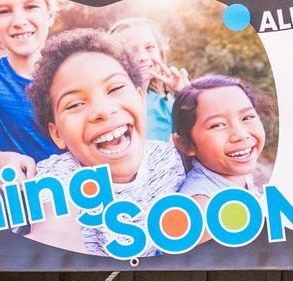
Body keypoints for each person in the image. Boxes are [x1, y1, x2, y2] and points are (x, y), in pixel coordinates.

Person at [26, 29, 185, 256]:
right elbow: (54, 231)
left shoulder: (173, 158)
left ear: (141, 99)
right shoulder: (56, 179)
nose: (102, 110)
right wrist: (48, 246)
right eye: (74, 104)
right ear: (57, 133)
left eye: (116, 88)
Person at [0, 0, 61, 179]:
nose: (19, 21)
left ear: (50, 15)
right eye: (4, 11)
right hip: (8, 181)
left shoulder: (69, 75)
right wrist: (5, 160)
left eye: (31, 7)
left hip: (64, 181)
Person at [173, 76, 267, 200]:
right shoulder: (202, 205)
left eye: (247, 117)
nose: (241, 135)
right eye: (218, 125)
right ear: (186, 144)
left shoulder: (237, 176)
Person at [110, 16, 188, 142]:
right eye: (130, 50)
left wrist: (185, 94)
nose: (143, 57)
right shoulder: (107, 105)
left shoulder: (167, 105)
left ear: (161, 54)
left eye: (149, 47)